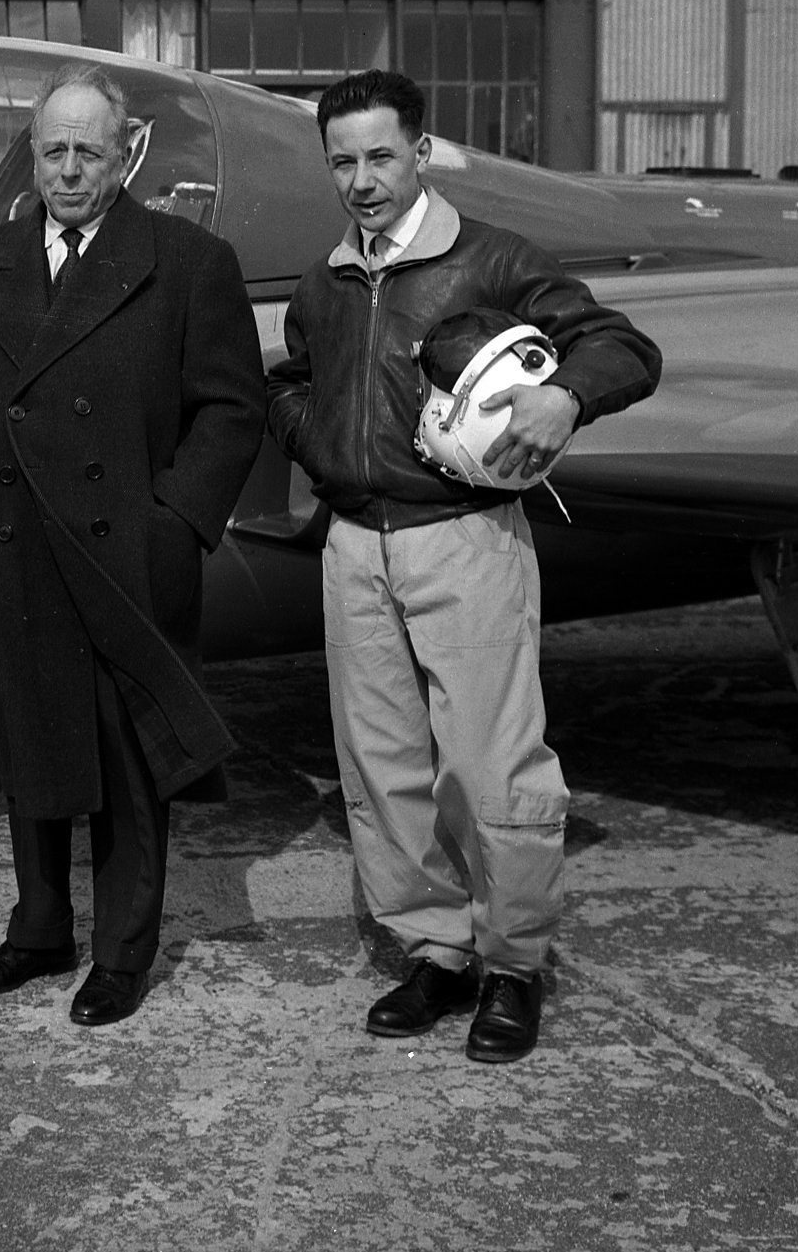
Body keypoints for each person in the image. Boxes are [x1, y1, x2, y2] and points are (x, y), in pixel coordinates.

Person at [267, 68, 660, 1062]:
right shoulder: (323, 282)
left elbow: (622, 344)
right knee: (382, 769)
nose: (362, 179)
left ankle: (514, 964)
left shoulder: (489, 259)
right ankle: (435, 950)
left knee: (492, 769)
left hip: (467, 539)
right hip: (355, 546)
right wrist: (313, 441)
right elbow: (294, 380)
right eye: (343, 160)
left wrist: (566, 396)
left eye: (380, 155)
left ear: (422, 151)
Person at [0, 63, 265, 1027]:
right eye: (53, 149)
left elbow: (233, 412)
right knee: (32, 735)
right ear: (34, 151)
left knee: (128, 759)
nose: (69, 170)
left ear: (126, 156)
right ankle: (39, 928)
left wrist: (173, 526)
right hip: (14, 549)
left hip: (128, 556)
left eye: (89, 152)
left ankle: (121, 948)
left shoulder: (187, 262)